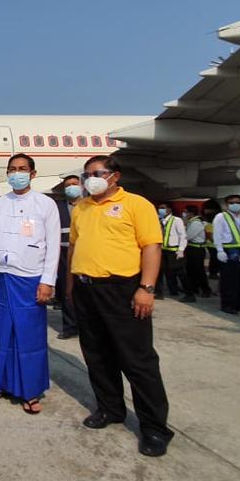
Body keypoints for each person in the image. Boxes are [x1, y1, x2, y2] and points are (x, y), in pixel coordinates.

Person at [66, 155, 173, 457]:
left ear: (115, 176)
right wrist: (71, 286)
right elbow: (74, 247)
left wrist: (146, 288)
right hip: (86, 288)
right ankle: (110, 409)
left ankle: (154, 428)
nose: (90, 179)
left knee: (137, 360)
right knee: (97, 355)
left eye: (96, 173)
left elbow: (151, 246)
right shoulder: (82, 208)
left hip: (122, 289)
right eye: (86, 174)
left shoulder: (137, 204)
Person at [0, 153, 59, 414]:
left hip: (30, 278)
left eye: (22, 169)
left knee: (29, 336)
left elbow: (53, 246)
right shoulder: (0, 204)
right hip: (0, 276)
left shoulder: (45, 204)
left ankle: (30, 391)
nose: (17, 173)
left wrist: (47, 281)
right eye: (12, 169)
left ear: (33, 174)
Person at [54, 174, 82, 339]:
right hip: (64, 253)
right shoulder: (58, 207)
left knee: (86, 292)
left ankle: (86, 326)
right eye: (68, 185)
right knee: (66, 290)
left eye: (74, 184)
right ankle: (70, 326)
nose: (71, 187)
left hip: (85, 253)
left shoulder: (89, 205)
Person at [156, 203, 194, 303]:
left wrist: (181, 250)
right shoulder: (159, 220)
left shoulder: (177, 220)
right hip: (163, 250)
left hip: (174, 250)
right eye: (160, 208)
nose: (161, 210)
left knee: (180, 273)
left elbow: (183, 235)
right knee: (161, 272)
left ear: (169, 209)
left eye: (163, 208)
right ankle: (162, 292)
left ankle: (189, 294)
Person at [183, 205, 213, 298]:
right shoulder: (192, 222)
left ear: (191, 213)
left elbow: (188, 236)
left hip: (196, 249)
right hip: (193, 248)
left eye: (186, 212)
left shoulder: (196, 223)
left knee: (198, 270)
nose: (184, 214)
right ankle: (194, 288)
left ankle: (206, 289)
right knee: (192, 270)